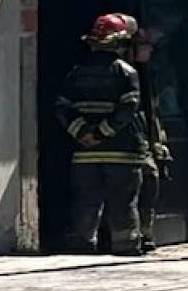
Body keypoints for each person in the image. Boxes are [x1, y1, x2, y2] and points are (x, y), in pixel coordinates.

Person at [56, 13, 148, 255]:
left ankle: (82, 245)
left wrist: (83, 133)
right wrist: (102, 133)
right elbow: (128, 108)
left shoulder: (75, 73)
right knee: (123, 204)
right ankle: (125, 247)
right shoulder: (127, 73)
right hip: (123, 153)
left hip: (85, 154)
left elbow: (62, 107)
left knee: (85, 202)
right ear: (119, 43)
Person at [132, 30, 174, 253]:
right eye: (144, 45)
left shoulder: (148, 76)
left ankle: (146, 233)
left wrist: (159, 143)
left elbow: (153, 114)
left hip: (146, 142)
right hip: (128, 144)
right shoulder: (124, 75)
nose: (150, 49)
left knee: (151, 182)